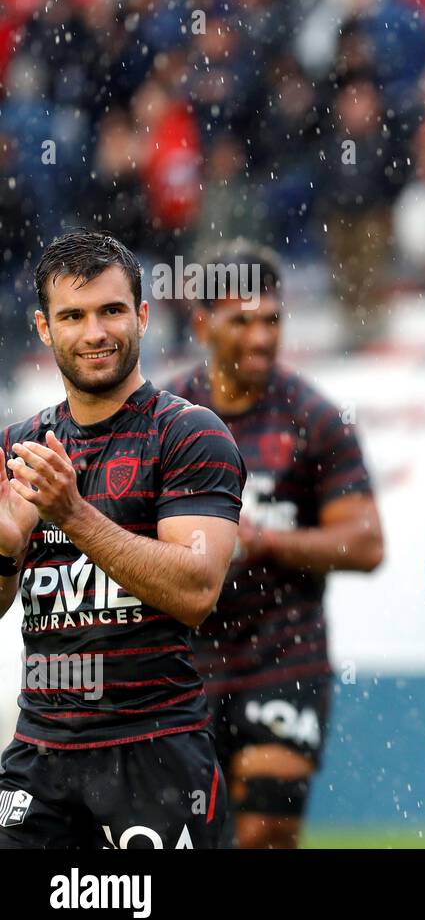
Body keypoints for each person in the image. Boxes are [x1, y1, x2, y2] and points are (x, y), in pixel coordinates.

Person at [0, 230, 245, 848]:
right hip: (38, 755)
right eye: (72, 316)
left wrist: (73, 514)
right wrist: (6, 549)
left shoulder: (189, 434)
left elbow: (197, 589)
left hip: (154, 750)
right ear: (43, 328)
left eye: (111, 310)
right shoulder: (18, 447)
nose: (95, 333)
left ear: (141, 315)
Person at [168, 241, 384, 848]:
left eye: (272, 320)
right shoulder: (164, 418)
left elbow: (366, 544)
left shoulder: (314, 418)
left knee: (266, 830)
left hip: (284, 658)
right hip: (182, 664)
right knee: (184, 835)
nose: (262, 338)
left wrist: (263, 542)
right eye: (243, 321)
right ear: (204, 322)